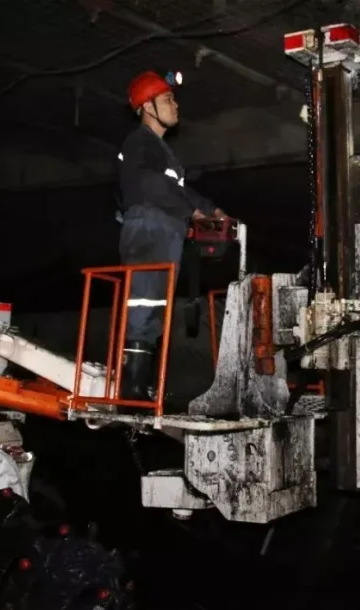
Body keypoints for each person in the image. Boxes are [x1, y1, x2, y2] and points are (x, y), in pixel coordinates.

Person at [117, 70, 227, 403]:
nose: (175, 105)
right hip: (149, 227)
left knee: (156, 307)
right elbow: (152, 186)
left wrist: (212, 209)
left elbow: (179, 190)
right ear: (147, 107)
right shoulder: (139, 143)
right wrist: (193, 213)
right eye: (167, 99)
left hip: (164, 229)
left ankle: (141, 384)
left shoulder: (160, 150)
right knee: (145, 304)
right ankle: (132, 386)